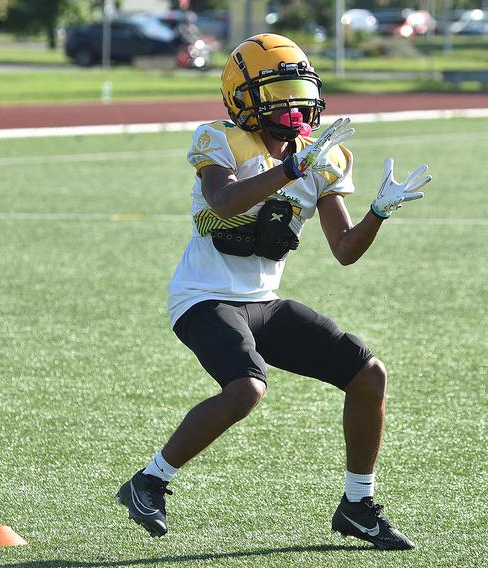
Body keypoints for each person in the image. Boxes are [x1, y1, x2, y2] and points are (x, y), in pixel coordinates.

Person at [115, 33, 432, 551]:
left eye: (297, 89)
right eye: (277, 91)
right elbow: (220, 203)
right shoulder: (220, 140)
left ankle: (357, 504)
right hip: (204, 297)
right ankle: (149, 481)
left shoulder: (323, 157)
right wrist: (289, 170)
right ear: (243, 98)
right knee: (247, 388)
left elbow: (346, 250)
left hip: (262, 302)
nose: (292, 103)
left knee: (368, 373)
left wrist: (379, 211)